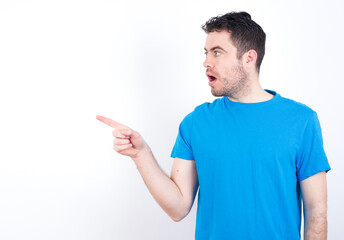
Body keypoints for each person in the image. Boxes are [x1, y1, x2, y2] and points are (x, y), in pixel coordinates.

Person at [97, 11, 331, 240]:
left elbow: (316, 212)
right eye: (206, 52)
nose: (206, 62)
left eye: (217, 53)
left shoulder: (301, 121)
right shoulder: (195, 123)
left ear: (249, 58)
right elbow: (177, 208)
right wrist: (141, 155)